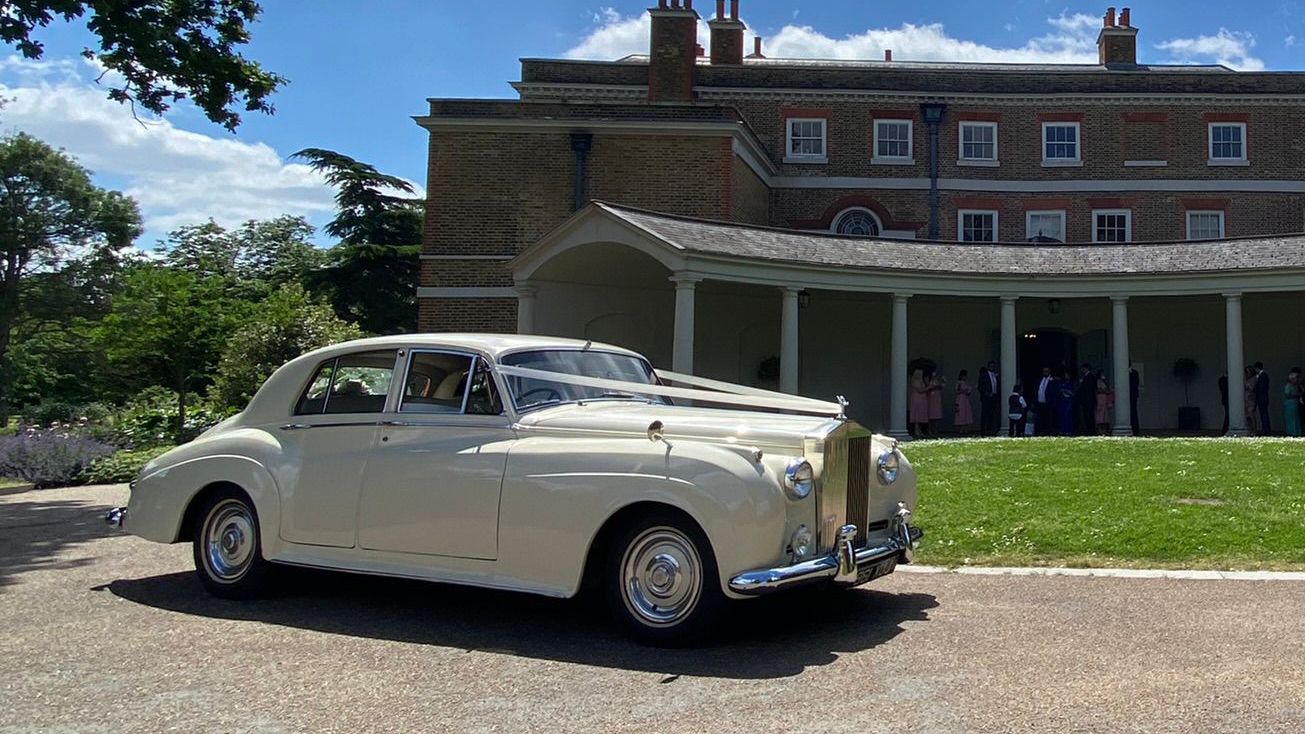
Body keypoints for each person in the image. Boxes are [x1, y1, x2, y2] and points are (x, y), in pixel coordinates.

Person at [978, 361, 1000, 437]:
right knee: (984, 415)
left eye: (993, 366)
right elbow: (980, 387)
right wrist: (986, 393)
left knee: (992, 415)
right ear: (988, 366)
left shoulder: (996, 375)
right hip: (986, 398)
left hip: (994, 397)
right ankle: (983, 431)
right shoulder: (984, 375)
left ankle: (991, 430)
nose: (992, 368)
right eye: (991, 366)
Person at [1075, 363, 1097, 436]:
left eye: (1083, 368)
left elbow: (1088, 388)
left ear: (1086, 369)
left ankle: (1090, 430)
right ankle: (1089, 429)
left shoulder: (1089, 377)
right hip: (1087, 400)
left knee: (1089, 415)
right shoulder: (1088, 377)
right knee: (1087, 415)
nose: (1082, 370)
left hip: (1088, 400)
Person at [1034, 366, 1055, 437]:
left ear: (1049, 372)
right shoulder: (1040, 380)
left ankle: (1048, 432)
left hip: (1048, 403)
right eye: (1044, 371)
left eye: (1046, 371)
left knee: (1048, 419)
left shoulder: (1052, 381)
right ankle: (1041, 431)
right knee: (1040, 418)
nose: (1045, 373)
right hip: (1040, 403)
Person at [908, 368, 930, 438]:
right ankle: (916, 430)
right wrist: (929, 387)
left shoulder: (921, 381)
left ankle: (920, 430)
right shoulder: (916, 381)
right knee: (917, 413)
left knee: (921, 413)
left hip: (922, 399)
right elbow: (920, 390)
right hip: (917, 398)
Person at [1055, 371, 1075, 436]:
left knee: (1067, 416)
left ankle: (1068, 430)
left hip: (1068, 401)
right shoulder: (1062, 383)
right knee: (1061, 416)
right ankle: (1062, 430)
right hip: (1061, 401)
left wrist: (1065, 391)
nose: (1066, 376)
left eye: (1067, 375)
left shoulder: (1071, 384)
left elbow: (1073, 393)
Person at [1254, 362, 1271, 435]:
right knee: (1263, 414)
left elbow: (1261, 387)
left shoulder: (1263, 376)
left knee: (1264, 414)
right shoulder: (1263, 376)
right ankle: (1266, 430)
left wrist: (1254, 389)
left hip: (1262, 398)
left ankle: (1266, 430)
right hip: (1262, 398)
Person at [926, 369, 945, 435]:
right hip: (931, 398)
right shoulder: (928, 380)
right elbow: (927, 387)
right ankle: (929, 430)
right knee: (930, 414)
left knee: (937, 414)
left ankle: (936, 430)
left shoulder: (938, 380)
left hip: (937, 397)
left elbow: (941, 386)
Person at [1244, 365, 1261, 436]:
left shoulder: (1254, 379)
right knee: (1247, 415)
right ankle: (1250, 430)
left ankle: (1254, 430)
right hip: (1246, 398)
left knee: (1251, 414)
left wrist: (1248, 387)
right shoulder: (1246, 379)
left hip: (1251, 398)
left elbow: (1253, 388)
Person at [1286, 369, 1302, 438]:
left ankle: (1297, 432)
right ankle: (1291, 432)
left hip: (1295, 402)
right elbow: (1287, 394)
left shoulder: (1296, 386)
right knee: (1291, 418)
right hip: (1290, 403)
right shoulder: (1288, 386)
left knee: (1296, 418)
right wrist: (1296, 394)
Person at [1129, 366, 1141, 436]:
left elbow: (1135, 384)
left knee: (1133, 411)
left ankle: (1135, 430)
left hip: (1133, 395)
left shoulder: (1134, 373)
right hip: (1129, 394)